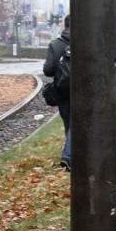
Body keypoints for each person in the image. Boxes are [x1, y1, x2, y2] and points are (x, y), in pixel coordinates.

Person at [43, 14, 71, 171]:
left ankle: (69, 156)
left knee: (69, 122)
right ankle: (70, 156)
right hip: (83, 90)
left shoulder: (56, 44)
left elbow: (48, 70)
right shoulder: (87, 41)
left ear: (65, 26)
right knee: (76, 122)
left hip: (62, 90)